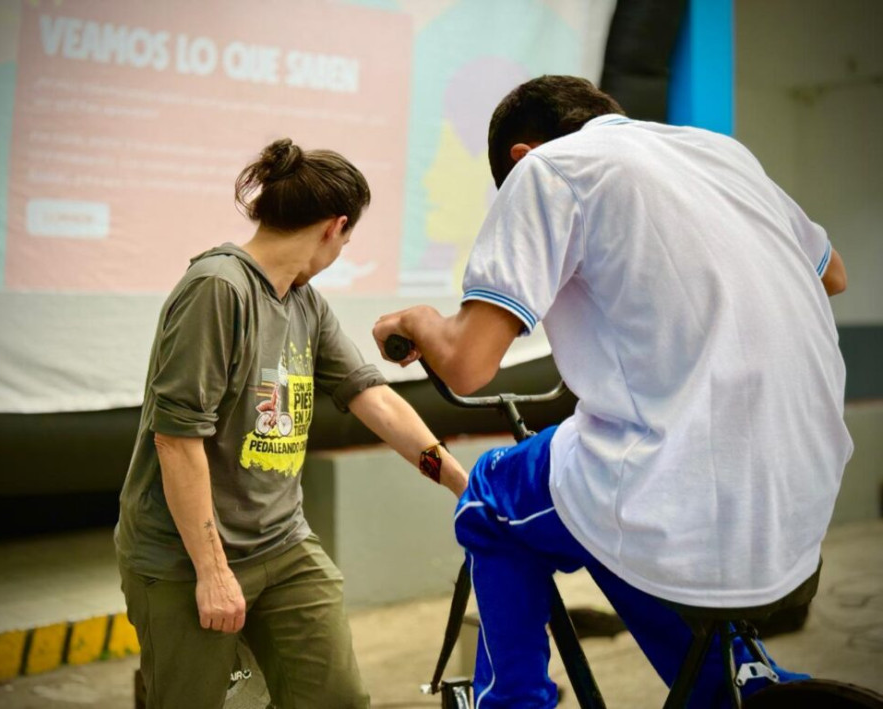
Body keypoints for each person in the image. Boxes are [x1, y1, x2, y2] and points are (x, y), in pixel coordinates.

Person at [373, 75, 852, 708]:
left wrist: (413, 324)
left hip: (683, 490)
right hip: (802, 496)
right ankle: (737, 682)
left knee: (493, 499)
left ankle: (514, 702)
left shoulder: (548, 169)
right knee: (599, 507)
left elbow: (466, 365)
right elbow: (835, 276)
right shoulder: (720, 154)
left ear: (520, 156)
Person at [115, 138, 468, 709]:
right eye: (349, 238)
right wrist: (212, 573)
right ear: (336, 226)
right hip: (185, 558)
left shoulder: (303, 301)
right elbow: (176, 441)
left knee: (338, 699)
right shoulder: (218, 289)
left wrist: (462, 483)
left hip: (282, 545)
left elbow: (370, 396)